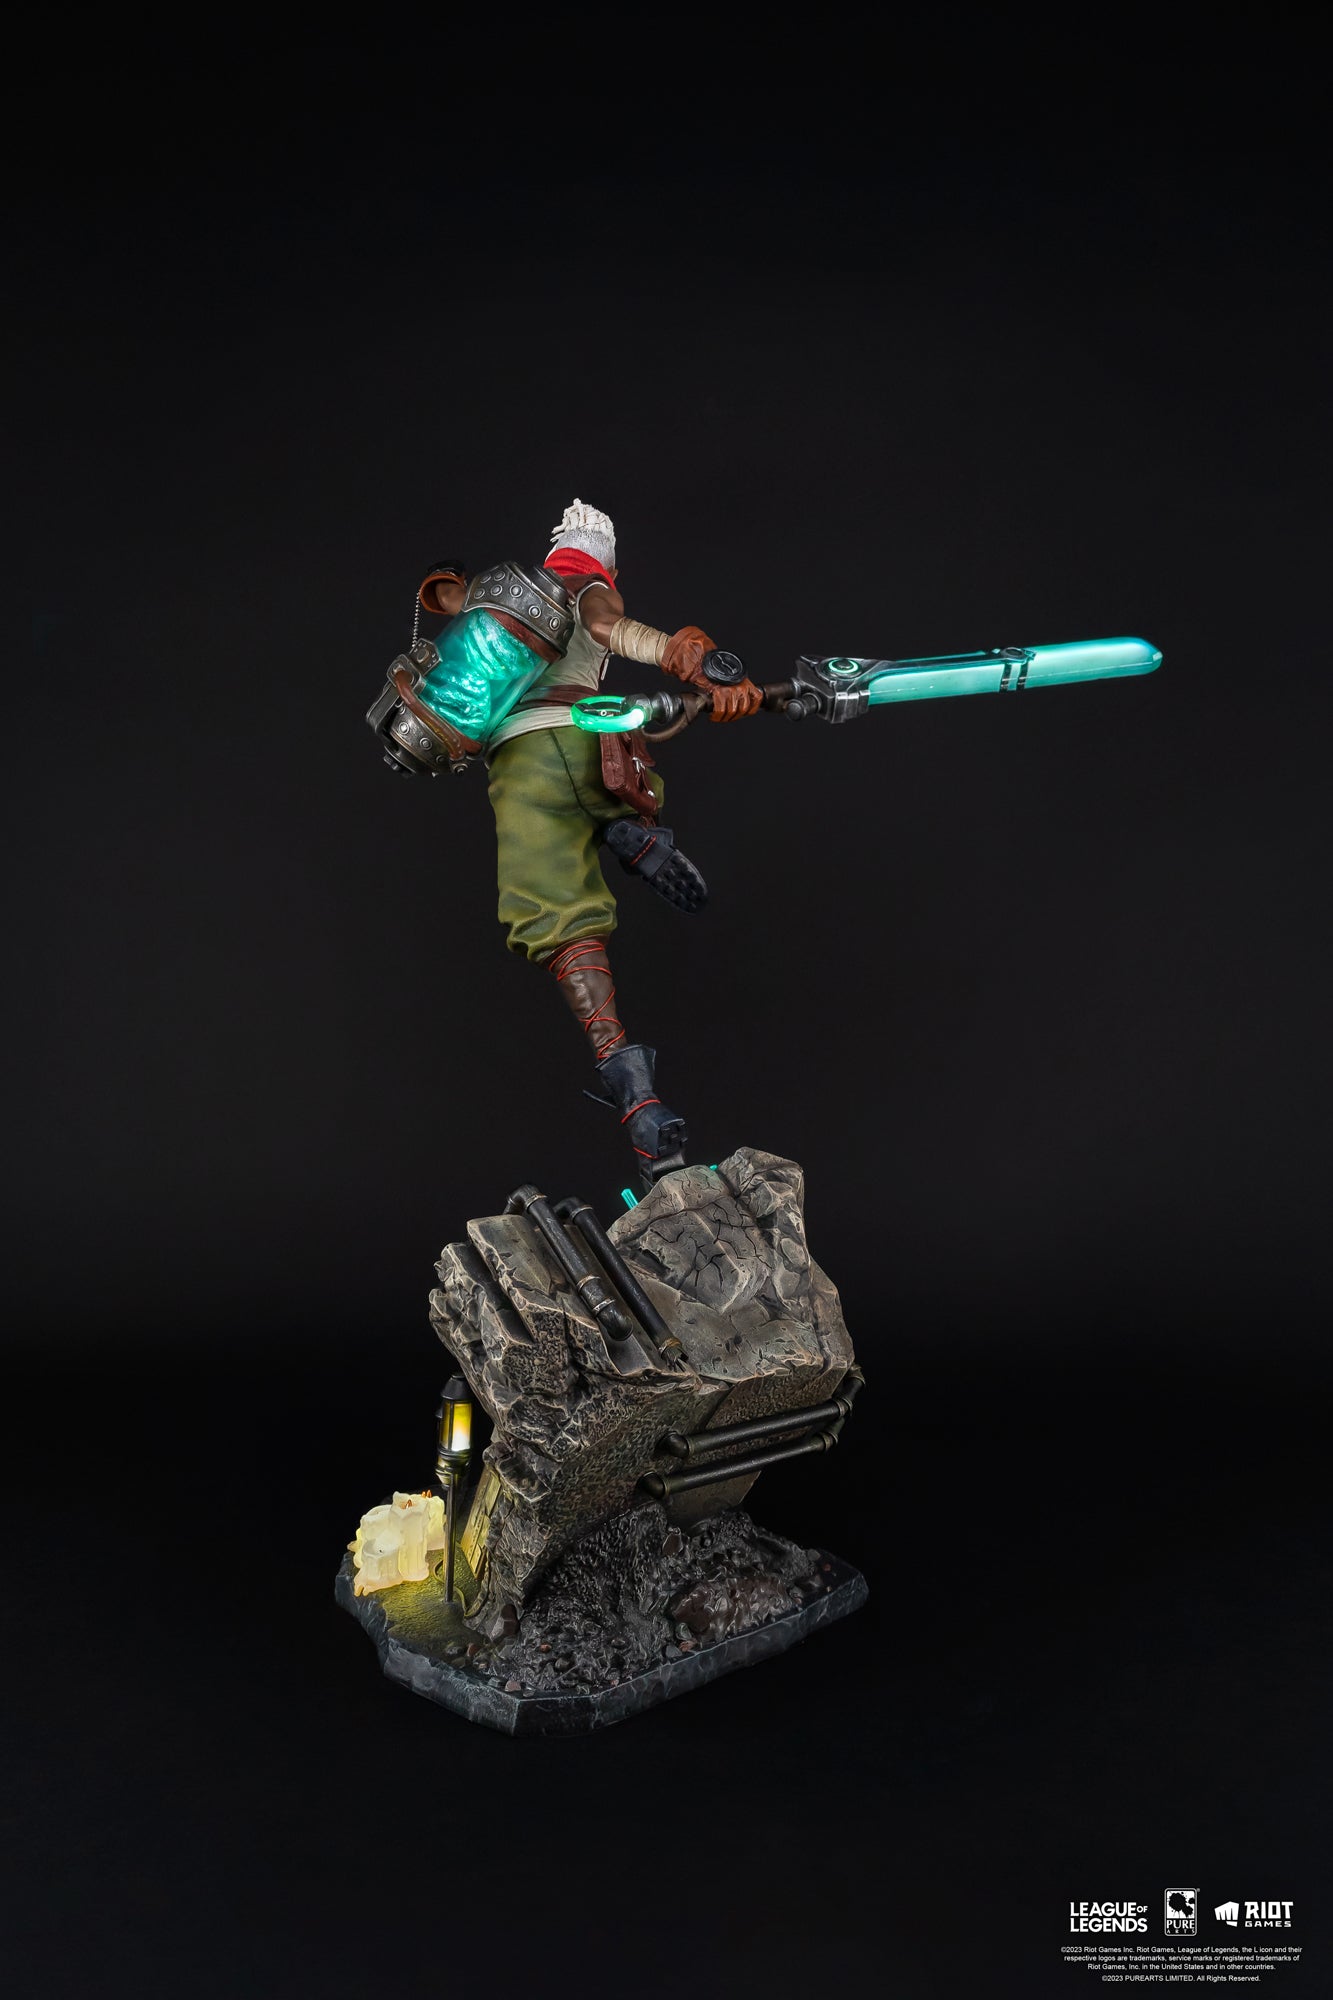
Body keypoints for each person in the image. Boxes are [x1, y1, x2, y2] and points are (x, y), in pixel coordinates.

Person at [418, 500, 761, 1182]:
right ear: (606, 561)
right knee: (614, 777)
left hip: (517, 771)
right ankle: (626, 828)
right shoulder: (588, 583)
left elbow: (445, 614)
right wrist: (695, 664)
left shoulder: (494, 602)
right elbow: (611, 629)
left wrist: (448, 590)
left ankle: (635, 1094)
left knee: (555, 922)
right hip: (586, 739)